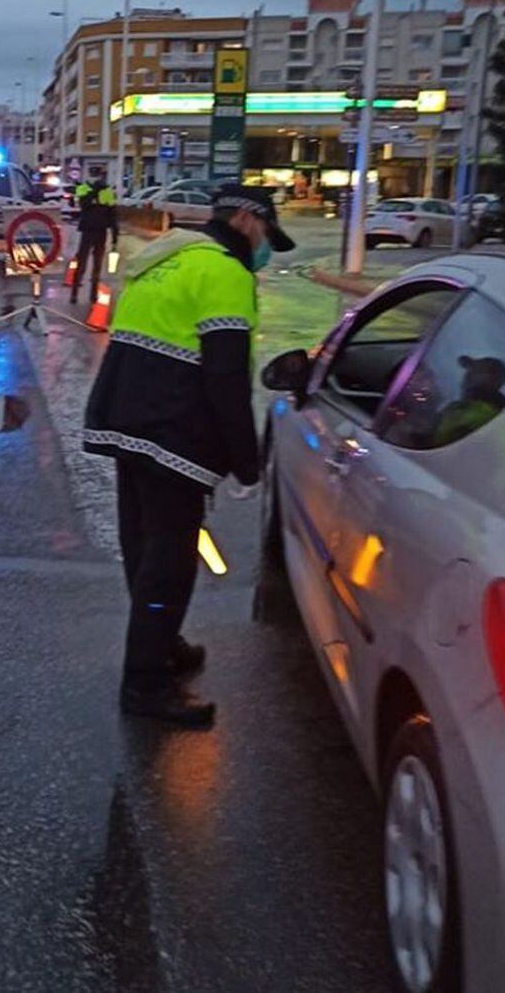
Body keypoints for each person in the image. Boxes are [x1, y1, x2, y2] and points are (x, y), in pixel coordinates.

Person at [84, 185, 295, 727]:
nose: (266, 249)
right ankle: (146, 685)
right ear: (248, 221)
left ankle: (162, 645)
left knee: (143, 547)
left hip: (123, 412)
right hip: (169, 427)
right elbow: (225, 377)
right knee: (171, 563)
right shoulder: (224, 271)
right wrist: (246, 462)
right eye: (268, 235)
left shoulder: (169, 257)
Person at [71, 167, 119, 306]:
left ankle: (88, 294)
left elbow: (111, 212)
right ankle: (79, 293)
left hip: (94, 229)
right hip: (95, 229)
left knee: (91, 263)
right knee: (87, 263)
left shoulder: (89, 189)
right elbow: (85, 205)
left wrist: (115, 233)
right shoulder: (88, 189)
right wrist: (115, 233)